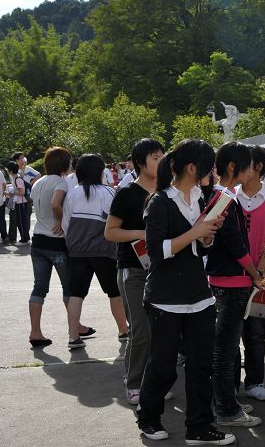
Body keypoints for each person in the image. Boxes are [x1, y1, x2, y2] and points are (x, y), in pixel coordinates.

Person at [137, 139, 235, 445]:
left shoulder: (200, 198)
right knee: (163, 366)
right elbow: (156, 251)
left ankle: (199, 427)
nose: (212, 173)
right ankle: (148, 417)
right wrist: (195, 232)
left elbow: (199, 248)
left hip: (199, 295)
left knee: (201, 366)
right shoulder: (160, 202)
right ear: (192, 168)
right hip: (165, 298)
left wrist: (206, 237)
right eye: (208, 167)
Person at [206, 142, 263, 428]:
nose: (251, 170)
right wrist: (255, 273)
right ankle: (227, 409)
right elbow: (235, 243)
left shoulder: (224, 195)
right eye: (247, 165)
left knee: (226, 349)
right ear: (232, 166)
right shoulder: (224, 197)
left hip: (227, 279)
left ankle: (227, 402)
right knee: (225, 351)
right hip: (231, 281)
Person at [104, 139, 165, 404]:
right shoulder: (127, 193)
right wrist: (142, 233)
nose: (161, 161)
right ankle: (134, 382)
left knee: (161, 332)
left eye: (162, 156)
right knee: (141, 331)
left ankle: (152, 383)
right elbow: (110, 232)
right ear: (140, 162)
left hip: (162, 269)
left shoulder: (167, 191)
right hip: (133, 270)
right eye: (155, 157)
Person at [27, 147, 95, 347]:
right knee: (70, 288)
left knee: (39, 288)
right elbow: (56, 203)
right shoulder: (61, 182)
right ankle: (75, 329)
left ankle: (35, 332)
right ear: (65, 164)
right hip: (56, 242)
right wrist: (59, 219)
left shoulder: (38, 182)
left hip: (38, 240)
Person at [62, 154, 128, 349]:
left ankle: (73, 337)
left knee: (77, 293)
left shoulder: (72, 193)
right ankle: (123, 330)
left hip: (77, 251)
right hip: (103, 251)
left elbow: (66, 224)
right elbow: (117, 221)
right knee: (114, 291)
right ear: (100, 172)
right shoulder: (107, 192)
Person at [233, 146, 265, 403]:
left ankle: (254, 382)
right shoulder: (230, 195)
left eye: (245, 164)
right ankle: (231, 386)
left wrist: (262, 269)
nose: (238, 168)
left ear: (259, 167)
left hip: (261, 277)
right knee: (230, 335)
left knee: (255, 332)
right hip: (231, 275)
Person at [11, 152, 40, 239]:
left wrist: (31, 183)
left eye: (24, 157)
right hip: (18, 198)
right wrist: (23, 170)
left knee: (27, 217)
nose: (23, 159)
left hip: (27, 197)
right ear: (16, 160)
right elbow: (19, 181)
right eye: (21, 158)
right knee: (18, 219)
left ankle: (26, 237)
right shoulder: (14, 170)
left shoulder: (28, 168)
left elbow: (38, 175)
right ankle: (20, 237)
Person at [5, 161, 30, 245]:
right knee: (21, 221)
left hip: (21, 203)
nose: (6, 170)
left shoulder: (17, 179)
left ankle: (24, 240)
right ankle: (26, 239)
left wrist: (11, 193)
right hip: (19, 202)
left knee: (21, 222)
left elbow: (22, 192)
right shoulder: (16, 178)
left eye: (7, 169)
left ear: (11, 170)